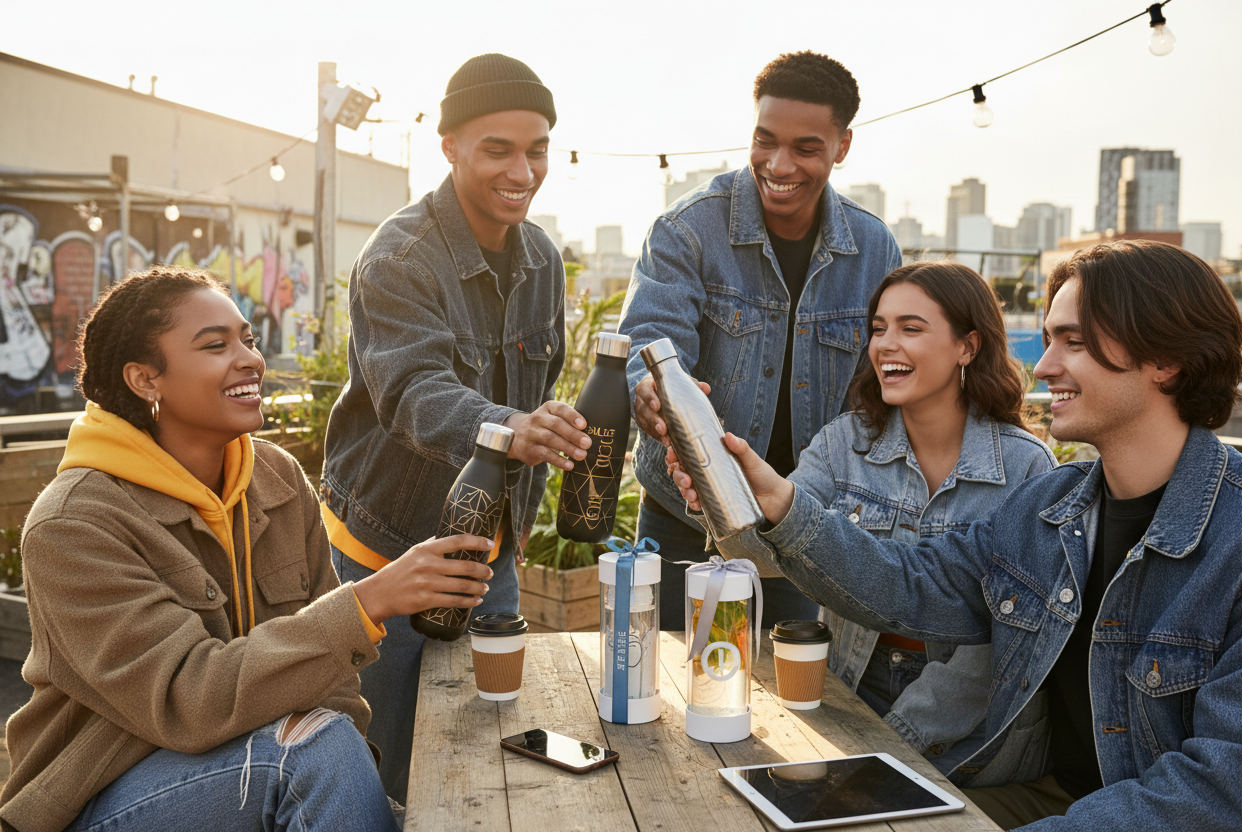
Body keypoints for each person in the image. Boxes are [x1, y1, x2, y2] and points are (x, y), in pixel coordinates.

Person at [671, 240, 1242, 830]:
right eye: (1049, 339)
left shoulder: (1236, 535)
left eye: (1073, 342)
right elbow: (912, 584)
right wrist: (780, 501)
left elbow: (1221, 788)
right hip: (1048, 797)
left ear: (1167, 361)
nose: (1045, 367)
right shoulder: (1051, 505)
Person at [1, 266, 500, 832]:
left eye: (249, 339)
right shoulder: (74, 525)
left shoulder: (277, 477)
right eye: (215, 345)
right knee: (313, 752)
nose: (249, 359)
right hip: (103, 799)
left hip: (261, 766)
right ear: (145, 379)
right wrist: (368, 602)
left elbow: (333, 686)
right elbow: (188, 698)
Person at [319, 53, 587, 803]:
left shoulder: (542, 260)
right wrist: (510, 428)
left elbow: (542, 382)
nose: (523, 169)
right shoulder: (398, 258)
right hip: (383, 556)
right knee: (386, 769)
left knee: (492, 750)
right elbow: (413, 393)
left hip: (487, 555)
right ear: (450, 148)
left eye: (536, 149)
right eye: (497, 149)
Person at [617, 51, 902, 629]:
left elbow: (877, 392)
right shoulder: (686, 230)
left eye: (805, 147)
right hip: (686, 518)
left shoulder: (874, 250)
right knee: (672, 690)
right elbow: (649, 340)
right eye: (765, 140)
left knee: (793, 697)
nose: (779, 163)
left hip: (801, 524)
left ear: (841, 146)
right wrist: (653, 393)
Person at [796, 261, 1055, 772]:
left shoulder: (1028, 467)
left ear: (967, 346)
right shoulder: (842, 443)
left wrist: (896, 738)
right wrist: (718, 489)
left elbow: (1009, 642)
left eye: (910, 328)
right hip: (853, 684)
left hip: (975, 734)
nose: (885, 344)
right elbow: (774, 544)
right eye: (878, 328)